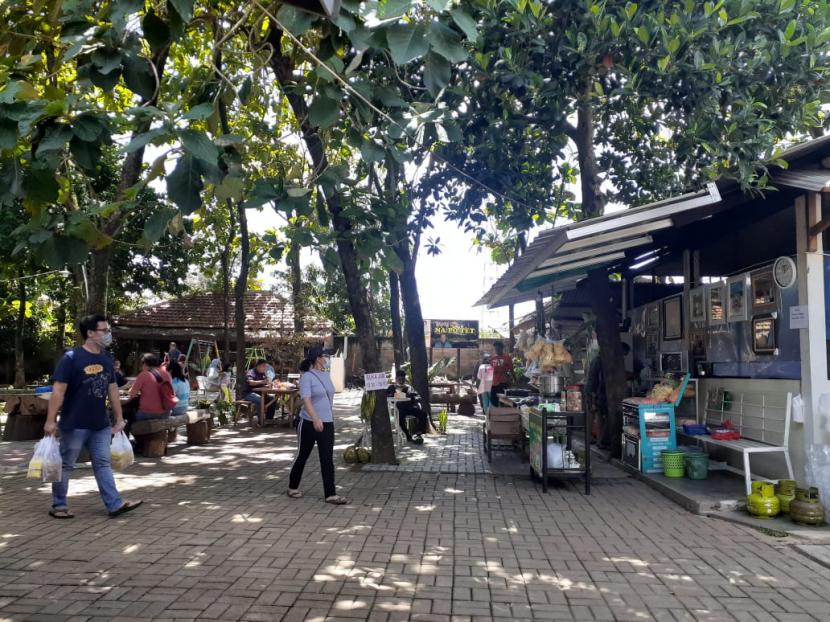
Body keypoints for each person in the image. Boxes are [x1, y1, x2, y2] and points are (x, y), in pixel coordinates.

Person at [43, 314, 142, 519]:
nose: (108, 334)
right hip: (74, 424)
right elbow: (58, 391)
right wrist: (51, 420)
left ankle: (114, 504)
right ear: (90, 333)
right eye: (104, 330)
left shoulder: (106, 360)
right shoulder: (71, 359)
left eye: (109, 330)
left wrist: (119, 418)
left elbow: (113, 390)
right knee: (66, 464)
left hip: (100, 424)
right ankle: (59, 505)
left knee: (102, 463)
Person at [287, 346, 348, 504]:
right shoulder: (307, 376)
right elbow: (306, 399)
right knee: (303, 455)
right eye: (325, 355)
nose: (327, 358)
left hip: (327, 423)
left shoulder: (326, 375)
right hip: (308, 422)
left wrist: (324, 418)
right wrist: (315, 418)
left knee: (327, 459)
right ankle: (293, 487)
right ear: (317, 358)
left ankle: (330, 494)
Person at [128, 353, 173, 423]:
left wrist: (131, 389)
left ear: (145, 364)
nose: (141, 367)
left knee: (127, 416)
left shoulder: (144, 374)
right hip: (166, 413)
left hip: (148, 413)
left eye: (141, 364)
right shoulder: (166, 373)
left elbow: (132, 395)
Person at [387, 370, 426, 443]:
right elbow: (389, 396)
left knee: (423, 414)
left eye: (403, 379)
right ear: (396, 379)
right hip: (398, 409)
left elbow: (417, 396)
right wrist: (404, 395)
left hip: (409, 407)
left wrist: (412, 397)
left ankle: (418, 432)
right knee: (400, 418)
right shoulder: (391, 387)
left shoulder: (409, 387)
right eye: (399, 379)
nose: (401, 381)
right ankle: (408, 436)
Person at [489, 341, 513, 406]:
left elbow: (511, 369)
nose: (497, 350)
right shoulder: (493, 358)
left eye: (498, 349)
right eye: (495, 349)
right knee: (493, 400)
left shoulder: (507, 357)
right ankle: (496, 413)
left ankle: (502, 413)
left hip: (503, 382)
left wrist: (514, 379)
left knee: (503, 400)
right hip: (494, 382)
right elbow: (490, 370)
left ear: (502, 348)